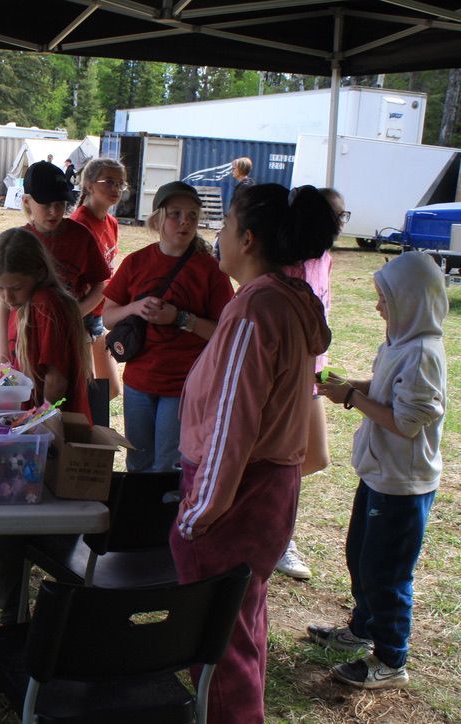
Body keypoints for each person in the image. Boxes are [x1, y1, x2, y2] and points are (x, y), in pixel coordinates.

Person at [173, 184, 336, 724]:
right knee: (242, 626)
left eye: (223, 227)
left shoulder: (254, 310)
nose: (214, 238)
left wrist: (198, 515)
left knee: (219, 643)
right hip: (268, 489)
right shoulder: (287, 300)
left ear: (247, 237)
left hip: (236, 497)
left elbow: (232, 425)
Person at [310, 251, 446, 691]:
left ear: (410, 300)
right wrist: (349, 384)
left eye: (384, 299)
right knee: (361, 557)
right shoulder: (398, 343)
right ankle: (362, 629)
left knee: (386, 573)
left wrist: (351, 399)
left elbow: (407, 421)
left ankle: (391, 658)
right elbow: (385, 390)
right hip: (378, 474)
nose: (378, 307)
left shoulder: (423, 354)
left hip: (402, 487)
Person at [0, 227, 92, 623]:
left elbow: (56, 382)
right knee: (8, 532)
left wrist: (33, 428)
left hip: (51, 436)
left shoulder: (46, 304)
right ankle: (13, 616)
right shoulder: (28, 303)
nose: (7, 297)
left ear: (37, 273)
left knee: (12, 530)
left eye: (13, 288)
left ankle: (16, 620)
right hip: (35, 428)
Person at [102, 181, 233, 472]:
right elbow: (107, 318)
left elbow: (225, 335)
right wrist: (135, 308)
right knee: (137, 461)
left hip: (184, 385)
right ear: (158, 218)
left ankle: (161, 518)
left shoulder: (210, 271)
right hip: (138, 382)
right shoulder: (137, 262)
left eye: (192, 216)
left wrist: (180, 318)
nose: (184, 222)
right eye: (175, 214)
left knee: (166, 466)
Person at [275, 187, 346, 580]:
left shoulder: (327, 260)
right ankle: (281, 536)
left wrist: (324, 370)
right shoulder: (284, 266)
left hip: (313, 373)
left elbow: (325, 319)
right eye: (332, 217)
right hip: (286, 377)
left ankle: (268, 513)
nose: (337, 224)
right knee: (287, 459)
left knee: (316, 456)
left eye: (341, 217)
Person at [0, 161, 110, 401]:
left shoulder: (80, 236)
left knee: (63, 396)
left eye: (60, 204)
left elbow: (101, 285)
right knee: (24, 402)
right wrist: (2, 355)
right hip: (23, 340)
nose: (54, 211)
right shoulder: (21, 240)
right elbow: (4, 305)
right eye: (46, 204)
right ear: (27, 202)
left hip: (64, 339)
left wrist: (73, 313)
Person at [70, 157, 128, 400]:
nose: (116, 189)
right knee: (88, 393)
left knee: (110, 389)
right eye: (110, 182)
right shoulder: (79, 225)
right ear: (90, 185)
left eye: (120, 184)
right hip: (80, 314)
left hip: (98, 314)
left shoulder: (111, 223)